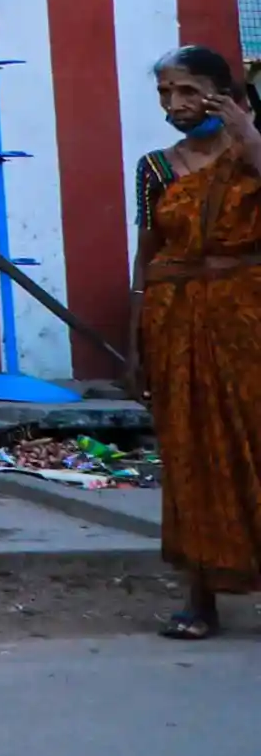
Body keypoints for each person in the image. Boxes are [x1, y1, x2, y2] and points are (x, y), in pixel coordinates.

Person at [134, 42, 261, 637]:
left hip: (247, 319)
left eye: (187, 91)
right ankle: (200, 597)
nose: (175, 104)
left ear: (221, 91)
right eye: (165, 93)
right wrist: (138, 332)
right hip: (176, 321)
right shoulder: (157, 168)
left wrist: (251, 138)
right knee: (190, 459)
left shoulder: (250, 155)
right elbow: (148, 252)